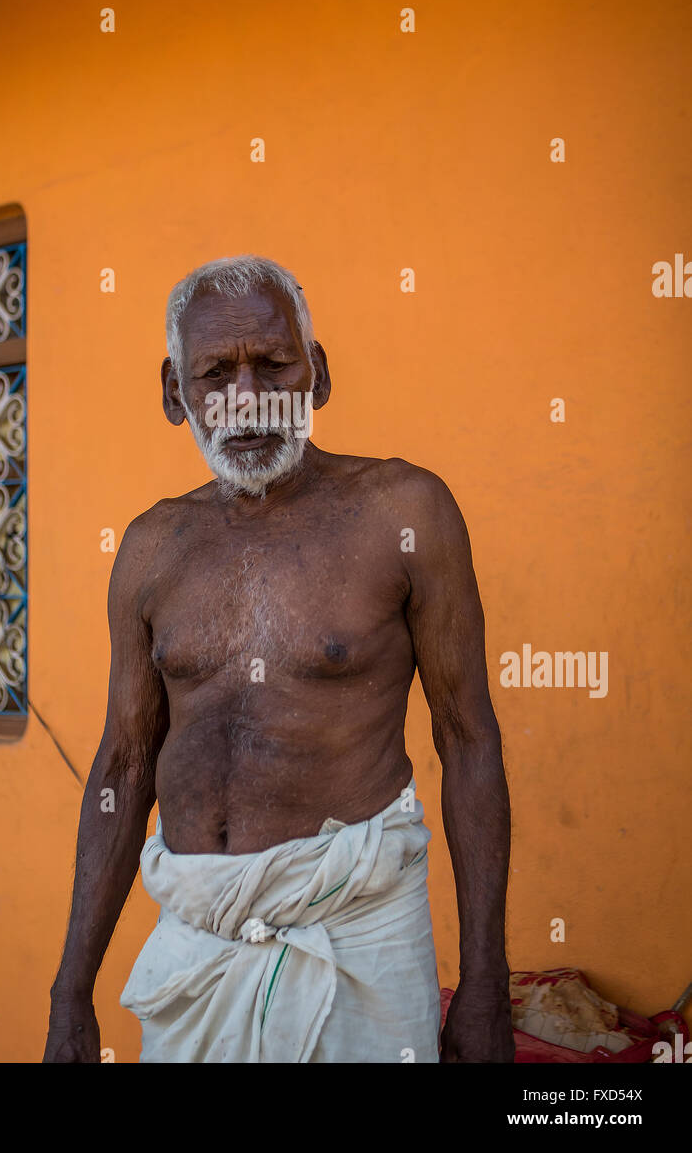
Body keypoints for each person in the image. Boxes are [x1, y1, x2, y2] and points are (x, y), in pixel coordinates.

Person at [43, 255, 514, 1064]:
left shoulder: (406, 513)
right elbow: (123, 766)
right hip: (199, 938)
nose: (249, 399)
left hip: (357, 930)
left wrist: (485, 983)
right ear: (173, 392)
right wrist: (70, 992)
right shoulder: (153, 549)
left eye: (274, 364)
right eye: (216, 372)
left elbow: (469, 741)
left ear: (318, 372)